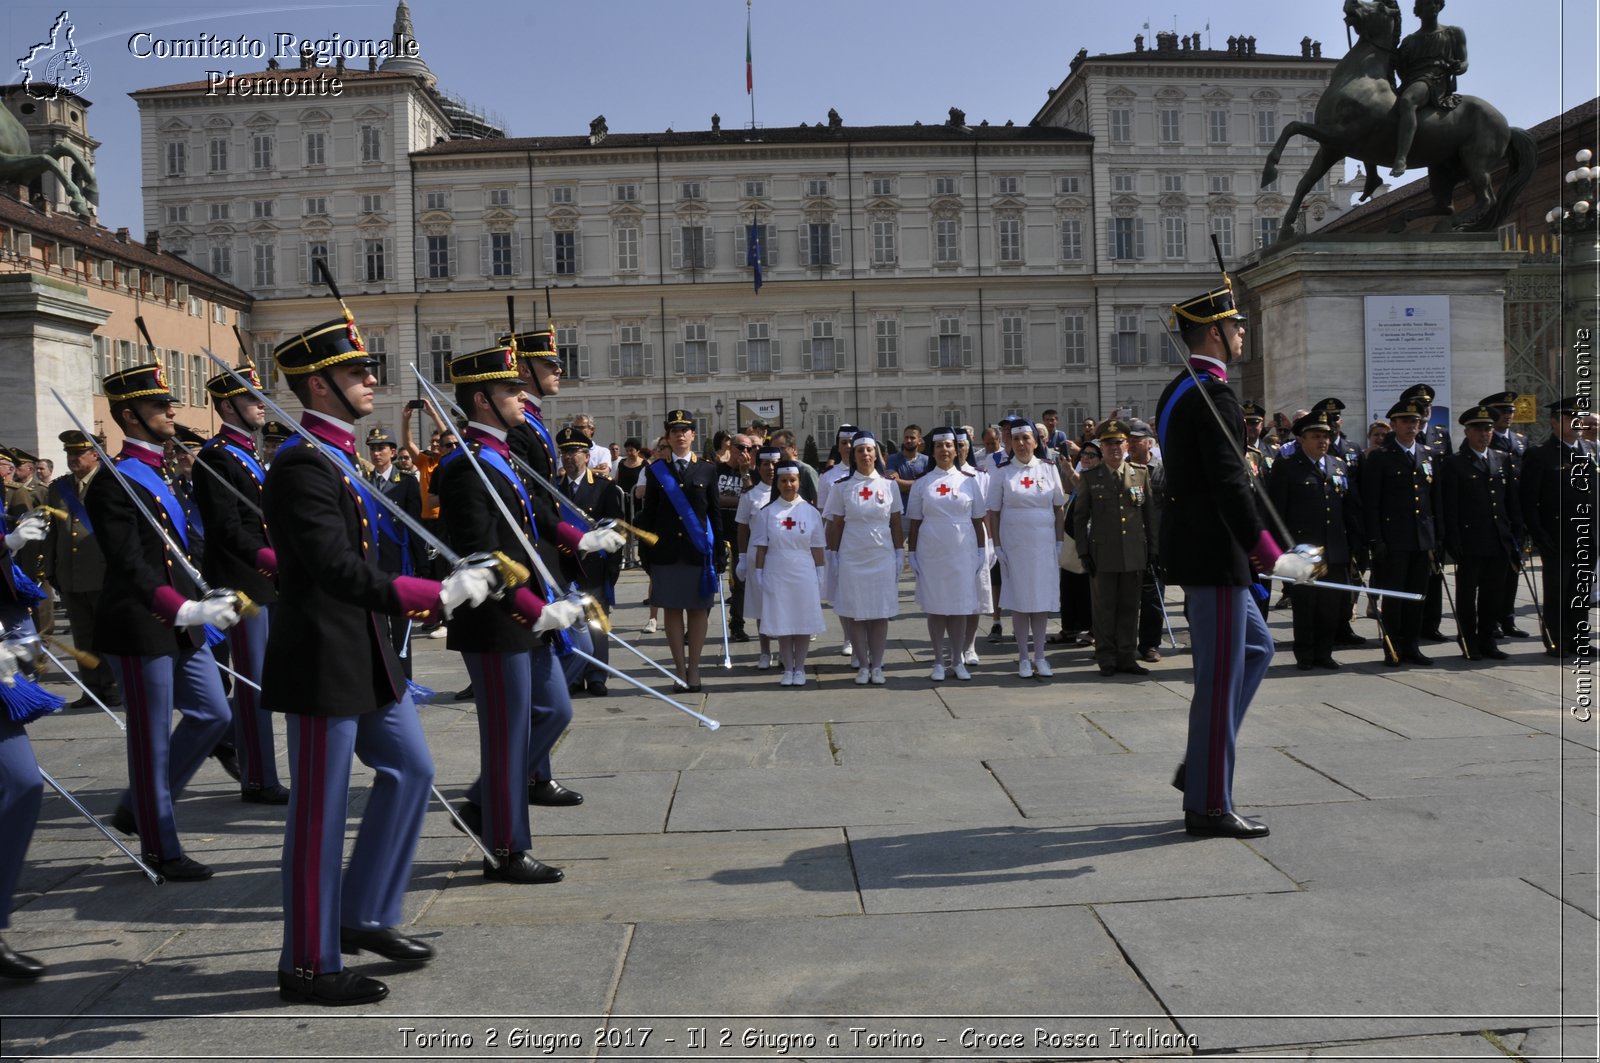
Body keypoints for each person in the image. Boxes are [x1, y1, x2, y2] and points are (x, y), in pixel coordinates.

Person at [262, 313, 495, 1006]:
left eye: (369, 368)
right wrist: (434, 592)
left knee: (413, 768)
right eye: (359, 370)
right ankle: (307, 961)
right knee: (319, 814)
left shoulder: (334, 455)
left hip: (365, 653)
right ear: (317, 382)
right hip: (321, 661)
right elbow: (334, 567)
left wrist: (427, 587)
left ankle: (361, 912)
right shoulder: (302, 463)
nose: (372, 378)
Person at [1157, 283, 1315, 839]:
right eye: (1236, 325)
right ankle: (1208, 804)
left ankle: (1200, 767)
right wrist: (1273, 556)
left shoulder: (1183, 388)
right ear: (1214, 333)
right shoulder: (1213, 394)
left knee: (1257, 648)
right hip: (1216, 558)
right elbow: (1227, 486)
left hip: (1210, 555)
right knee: (1220, 682)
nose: (1243, 333)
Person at [434, 344, 588, 886]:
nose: (521, 394)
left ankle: (482, 804)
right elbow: (483, 553)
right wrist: (536, 611)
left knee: (554, 712)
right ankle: (504, 849)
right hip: (496, 622)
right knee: (505, 736)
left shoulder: (496, 454)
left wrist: (580, 538)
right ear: (482, 400)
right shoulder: (464, 465)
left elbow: (533, 517)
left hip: (525, 614)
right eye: (508, 390)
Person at [88, 365, 241, 880]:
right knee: (150, 737)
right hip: (140, 624)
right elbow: (130, 564)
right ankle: (160, 845)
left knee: (213, 714)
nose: (172, 412)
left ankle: (140, 806)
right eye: (160, 407)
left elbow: (181, 548)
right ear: (130, 415)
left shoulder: (163, 470)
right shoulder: (113, 483)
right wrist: (182, 607)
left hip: (183, 619)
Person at [195, 366, 288, 804]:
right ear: (228, 405)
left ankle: (229, 739)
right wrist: (271, 559)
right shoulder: (215, 456)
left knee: (264, 679)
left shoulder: (247, 454)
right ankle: (257, 777)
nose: (260, 405)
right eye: (252, 399)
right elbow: (227, 527)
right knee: (253, 683)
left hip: (265, 582)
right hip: (241, 584)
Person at [1267, 411, 1363, 670]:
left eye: (1326, 436)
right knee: (1306, 606)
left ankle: (1324, 652)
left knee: (1331, 607)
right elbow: (1276, 512)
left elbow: (1350, 508)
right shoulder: (1287, 468)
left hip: (1335, 548)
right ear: (1302, 439)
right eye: (1316, 436)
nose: (1323, 441)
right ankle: (1306, 655)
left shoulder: (1338, 465)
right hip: (1303, 550)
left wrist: (1355, 544)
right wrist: (1282, 550)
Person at [638, 409, 722, 691]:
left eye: (685, 430)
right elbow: (648, 514)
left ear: (693, 435)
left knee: (698, 611)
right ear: (668, 437)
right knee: (672, 612)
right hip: (667, 552)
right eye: (674, 431)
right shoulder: (655, 471)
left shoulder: (708, 469)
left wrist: (721, 552)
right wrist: (645, 551)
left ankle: (695, 669)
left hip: (698, 552)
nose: (680, 435)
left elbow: (715, 514)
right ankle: (679, 670)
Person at [1364, 397, 1444, 667]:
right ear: (1394, 425)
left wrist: (1437, 536)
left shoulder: (1428, 455)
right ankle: (1392, 647)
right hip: (1393, 538)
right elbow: (1372, 502)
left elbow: (1435, 500)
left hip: (1422, 538)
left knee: (1417, 595)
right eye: (1407, 421)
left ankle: (1412, 646)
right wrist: (1375, 539)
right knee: (1395, 597)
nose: (1412, 425)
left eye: (1416, 421)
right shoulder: (1380, 458)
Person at [45, 430, 121, 708]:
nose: (73, 458)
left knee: (108, 632)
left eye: (78, 453)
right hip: (71, 573)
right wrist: (51, 568)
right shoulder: (59, 487)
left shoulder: (112, 481)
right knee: (82, 635)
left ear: (95, 454)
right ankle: (91, 690)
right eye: (69, 454)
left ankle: (113, 686)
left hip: (104, 573)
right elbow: (53, 532)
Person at [1441, 405, 1522, 661]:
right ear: (1467, 432)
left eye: (1488, 428)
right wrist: (1452, 540)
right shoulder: (1454, 463)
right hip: (1469, 539)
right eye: (1478, 429)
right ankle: (1468, 640)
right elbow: (1449, 506)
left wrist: (1517, 533)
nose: (1484, 433)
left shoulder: (1501, 458)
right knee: (1467, 594)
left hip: (1498, 539)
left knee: (1493, 593)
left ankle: (1487, 639)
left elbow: (1511, 501)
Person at [906, 426, 986, 681]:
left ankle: (957, 659)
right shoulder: (922, 483)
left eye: (949, 446)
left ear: (957, 449)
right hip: (932, 549)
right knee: (937, 606)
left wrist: (982, 551)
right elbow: (915, 522)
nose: (944, 450)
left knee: (960, 606)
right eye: (939, 446)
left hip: (962, 549)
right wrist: (913, 553)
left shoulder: (969, 481)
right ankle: (939, 661)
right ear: (933, 450)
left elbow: (978, 520)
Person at [1074, 419, 1153, 678]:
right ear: (1102, 447)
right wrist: (1084, 552)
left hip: (1133, 552)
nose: (1114, 448)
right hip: (1103, 553)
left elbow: (1149, 515)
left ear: (1126, 444)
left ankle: (1127, 657)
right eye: (1109, 444)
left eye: (1118, 442)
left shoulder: (1139, 473)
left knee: (1130, 608)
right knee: (1105, 609)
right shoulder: (1090, 477)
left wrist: (1153, 550)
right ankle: (1106, 657)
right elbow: (1080, 517)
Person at [823, 432, 904, 685]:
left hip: (881, 553)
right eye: (860, 451)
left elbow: (896, 521)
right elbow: (836, 524)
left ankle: (877, 664)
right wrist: (833, 555)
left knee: (879, 613)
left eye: (870, 450)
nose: (865, 455)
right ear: (853, 456)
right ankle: (861, 663)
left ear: (876, 454)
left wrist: (899, 552)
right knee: (856, 611)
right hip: (852, 553)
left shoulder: (889, 485)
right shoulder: (842, 487)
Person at [1520, 397, 1597, 660]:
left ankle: (1580, 640)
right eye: (1568, 417)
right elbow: (1529, 500)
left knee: (1580, 592)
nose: (1576, 423)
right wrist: (1538, 534)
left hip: (1587, 536)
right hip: (1557, 535)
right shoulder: (1540, 454)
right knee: (1557, 592)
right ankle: (1557, 641)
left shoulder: (1588, 451)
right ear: (1555, 421)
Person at [989, 421, 1066, 679]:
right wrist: (997, 545)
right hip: (1015, 543)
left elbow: (1058, 508)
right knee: (1021, 602)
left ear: (1036, 441)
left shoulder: (1048, 468)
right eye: (1016, 439)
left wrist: (1058, 542)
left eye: (1026, 438)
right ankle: (1023, 657)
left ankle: (1040, 656)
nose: (1021, 444)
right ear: (1010, 443)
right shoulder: (1002, 472)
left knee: (1040, 601)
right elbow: (994, 512)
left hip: (1043, 543)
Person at [554, 425, 625, 696]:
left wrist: (613, 567)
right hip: (564, 567)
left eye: (574, 452)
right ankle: (574, 674)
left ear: (587, 455)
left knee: (596, 623)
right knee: (569, 622)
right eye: (565, 453)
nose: (569, 457)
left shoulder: (604, 488)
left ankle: (596, 675)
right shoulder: (553, 488)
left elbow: (615, 529)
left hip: (594, 565)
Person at [750, 461, 827, 686]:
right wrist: (759, 573)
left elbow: (817, 547)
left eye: (792, 480)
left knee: (802, 621)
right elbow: (761, 547)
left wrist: (820, 573)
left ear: (799, 482)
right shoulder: (768, 513)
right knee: (783, 622)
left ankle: (800, 668)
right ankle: (788, 669)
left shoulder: (810, 512)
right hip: (777, 570)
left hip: (803, 571)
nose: (788, 485)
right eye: (783, 481)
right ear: (777, 483)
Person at [365, 428, 426, 678]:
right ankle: (384, 679)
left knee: (401, 625)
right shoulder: (363, 481)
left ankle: (405, 678)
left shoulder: (407, 482)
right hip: (374, 564)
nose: (377, 453)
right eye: (373, 448)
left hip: (399, 564)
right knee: (378, 626)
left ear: (392, 451)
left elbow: (414, 527)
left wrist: (420, 565)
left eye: (382, 448)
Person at [1389, 0, 1468, 178]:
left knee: (1408, 101)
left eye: (1434, 3)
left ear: (1440, 6)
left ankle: (1401, 157)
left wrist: (1458, 67)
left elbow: (1464, 62)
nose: (1431, 6)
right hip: (1411, 81)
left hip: (1435, 79)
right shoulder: (1409, 41)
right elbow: (1400, 67)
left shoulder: (1453, 33)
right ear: (1418, 10)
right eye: (1426, 3)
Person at [1481, 391, 1529, 639]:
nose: (1509, 415)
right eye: (1503, 410)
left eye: (1511, 410)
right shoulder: (1485, 440)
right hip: (1495, 514)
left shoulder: (1521, 441)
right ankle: (1491, 621)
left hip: (1516, 514)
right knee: (1493, 574)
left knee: (1513, 570)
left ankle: (1507, 618)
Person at [1125, 418, 1167, 664]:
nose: (1130, 444)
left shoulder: (1162, 470)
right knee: (1127, 598)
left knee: (1153, 597)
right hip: (1129, 542)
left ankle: (1150, 644)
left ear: (1149, 443)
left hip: (1156, 543)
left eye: (1136, 440)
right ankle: (1125, 643)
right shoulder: (1124, 470)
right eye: (1128, 440)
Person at [735, 446, 780, 669]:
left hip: (784, 558)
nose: (771, 469)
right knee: (762, 608)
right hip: (758, 558)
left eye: (775, 464)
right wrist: (742, 558)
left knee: (783, 606)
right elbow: (742, 528)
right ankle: (765, 652)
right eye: (766, 464)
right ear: (759, 467)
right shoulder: (750, 495)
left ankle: (785, 650)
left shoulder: (790, 492)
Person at [715, 434, 753, 643]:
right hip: (719, 530)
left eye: (749, 449)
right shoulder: (716, 470)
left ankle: (737, 624)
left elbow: (754, 497)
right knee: (710, 579)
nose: (745, 452)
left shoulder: (751, 474)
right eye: (741, 447)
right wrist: (741, 501)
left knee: (739, 582)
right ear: (731, 447)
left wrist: (745, 473)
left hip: (741, 534)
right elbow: (714, 497)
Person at [885, 424, 928, 502]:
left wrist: (904, 484)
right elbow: (894, 484)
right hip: (901, 507)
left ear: (919, 440)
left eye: (912, 438)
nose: (908, 440)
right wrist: (920, 483)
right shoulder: (892, 459)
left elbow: (928, 486)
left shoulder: (927, 461)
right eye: (906, 437)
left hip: (921, 506)